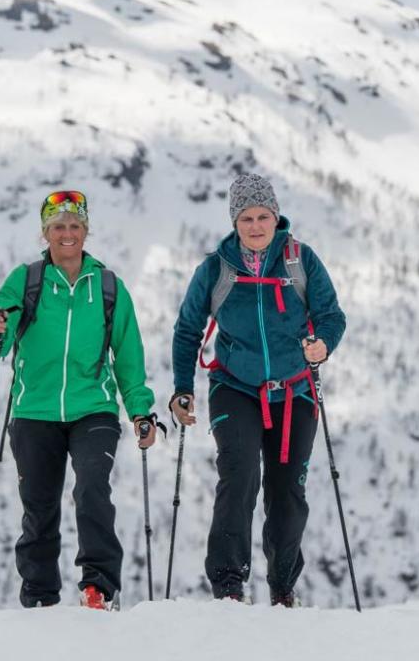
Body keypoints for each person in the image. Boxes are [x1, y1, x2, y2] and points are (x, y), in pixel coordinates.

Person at [170, 172, 346, 606]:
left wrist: (323, 345)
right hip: (235, 386)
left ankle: (283, 588)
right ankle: (228, 585)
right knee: (240, 474)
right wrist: (181, 388)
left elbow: (331, 316)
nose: (255, 226)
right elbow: (187, 329)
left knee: (288, 491)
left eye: (263, 216)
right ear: (234, 221)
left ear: (276, 216)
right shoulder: (216, 269)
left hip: (294, 390)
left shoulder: (300, 261)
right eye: (246, 217)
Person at [0, 190, 157, 610]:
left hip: (94, 407)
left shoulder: (109, 286)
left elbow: (128, 356)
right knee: (38, 507)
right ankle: (40, 597)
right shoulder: (26, 281)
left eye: (75, 225)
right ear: (45, 233)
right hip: (33, 411)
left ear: (86, 230)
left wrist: (140, 411)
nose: (67, 233)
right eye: (58, 226)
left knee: (92, 490)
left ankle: (98, 588)